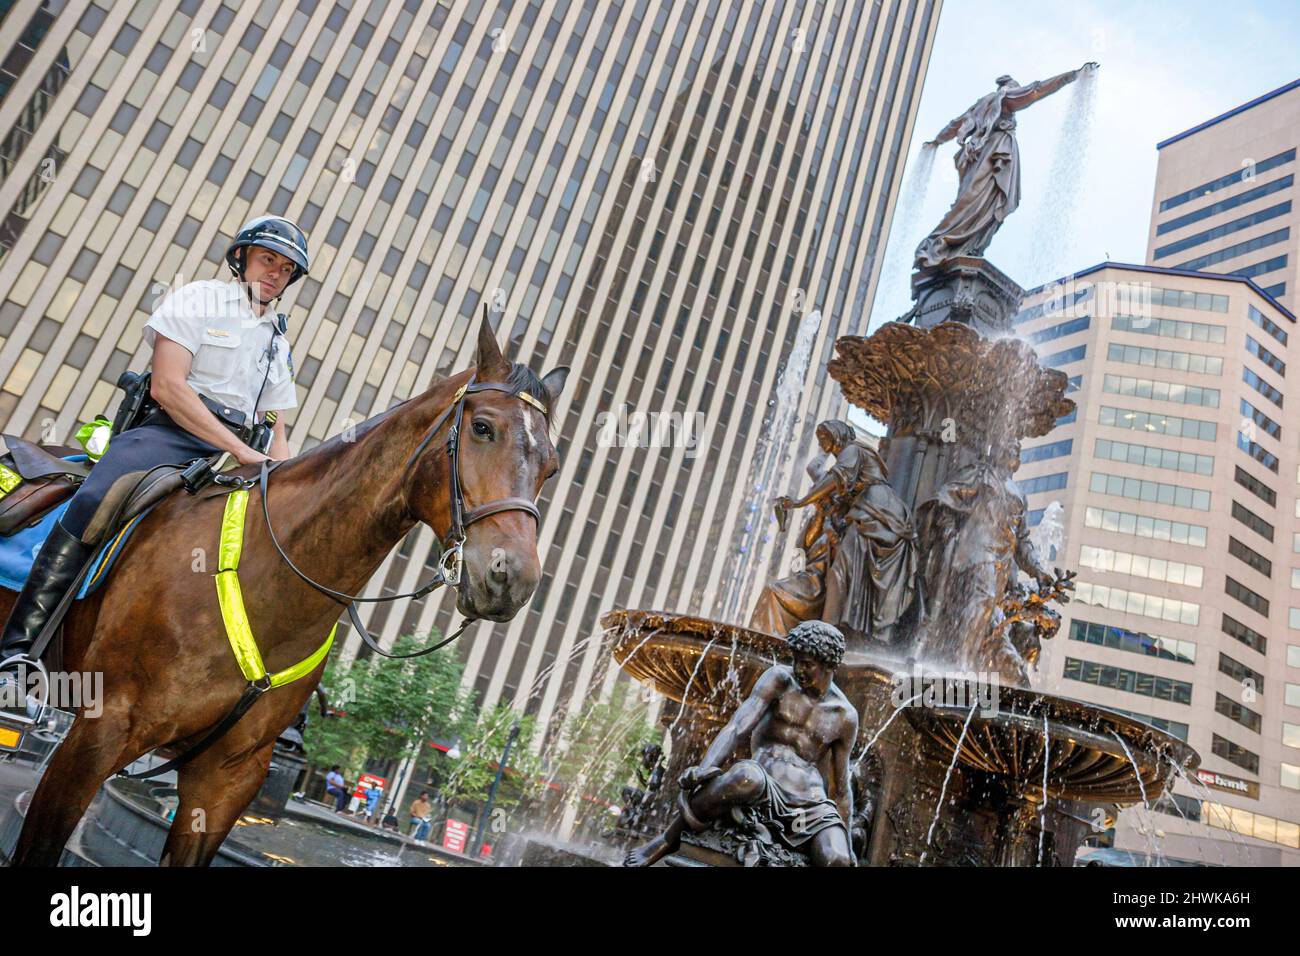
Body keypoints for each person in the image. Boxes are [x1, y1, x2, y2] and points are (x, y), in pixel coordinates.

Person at [0, 216, 308, 717]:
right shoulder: (197, 299)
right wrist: (243, 450)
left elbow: (276, 430)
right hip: (167, 435)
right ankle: (13, 656)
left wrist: (287, 476)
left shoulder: (278, 340)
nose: (275, 272)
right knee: (99, 499)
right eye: (268, 259)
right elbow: (169, 385)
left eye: (286, 267)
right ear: (243, 258)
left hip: (233, 458)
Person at [625, 621, 858, 867]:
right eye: (796, 660)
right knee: (746, 777)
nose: (799, 668)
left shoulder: (845, 716)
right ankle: (667, 839)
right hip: (763, 782)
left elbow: (840, 789)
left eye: (807, 664)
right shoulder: (779, 679)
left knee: (837, 860)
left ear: (829, 665)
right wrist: (706, 767)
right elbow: (737, 726)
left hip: (809, 803)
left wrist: (849, 845)